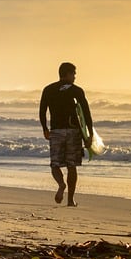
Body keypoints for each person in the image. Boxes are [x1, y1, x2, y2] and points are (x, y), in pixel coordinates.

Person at [39, 62, 93, 207]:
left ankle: (61, 184)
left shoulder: (48, 89)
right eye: (74, 73)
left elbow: (42, 111)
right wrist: (90, 134)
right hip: (73, 132)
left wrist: (45, 128)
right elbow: (86, 114)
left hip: (56, 131)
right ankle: (70, 200)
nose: (75, 76)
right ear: (68, 74)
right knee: (72, 166)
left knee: (55, 164)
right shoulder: (76, 91)